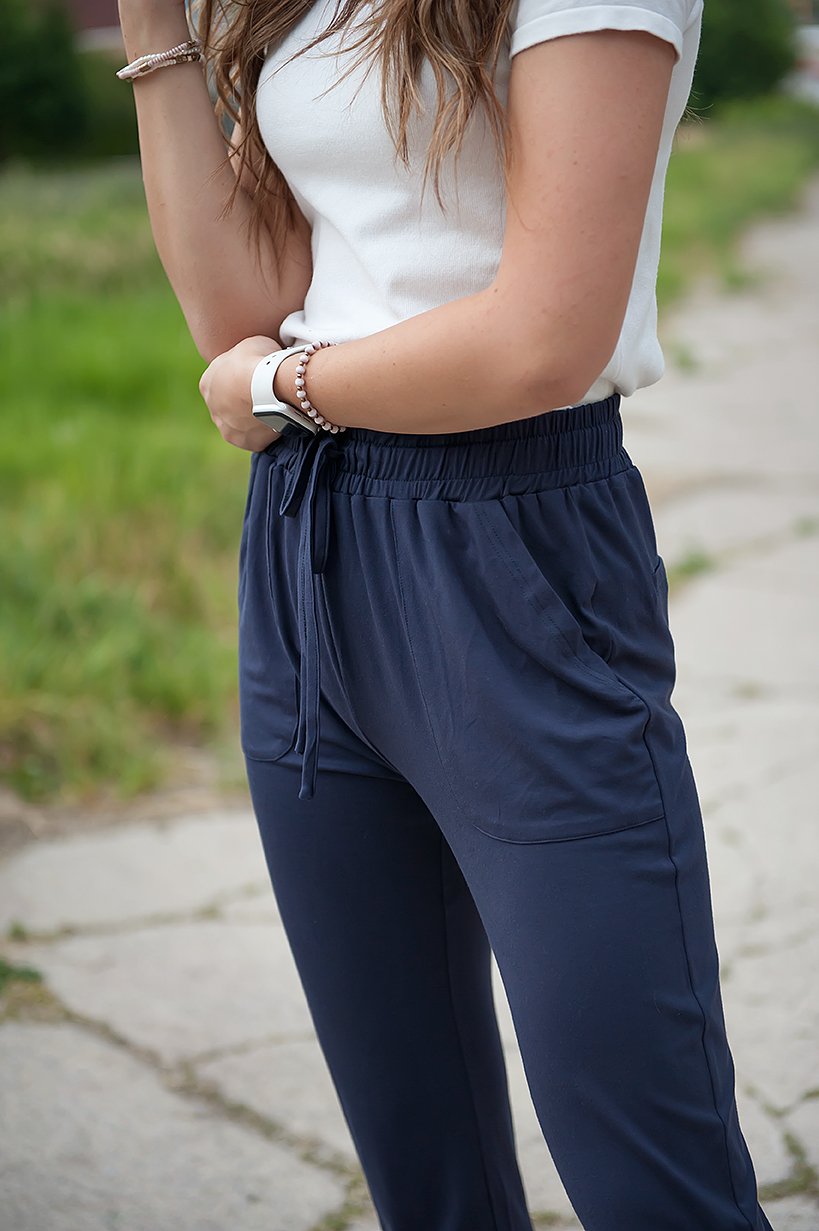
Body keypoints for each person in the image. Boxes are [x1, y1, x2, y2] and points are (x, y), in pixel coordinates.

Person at [117, 1, 774, 1227]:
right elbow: (238, 310)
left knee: (649, 1172)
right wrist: (157, 31)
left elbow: (542, 341)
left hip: (512, 537)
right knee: (427, 1168)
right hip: (309, 539)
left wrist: (280, 384)